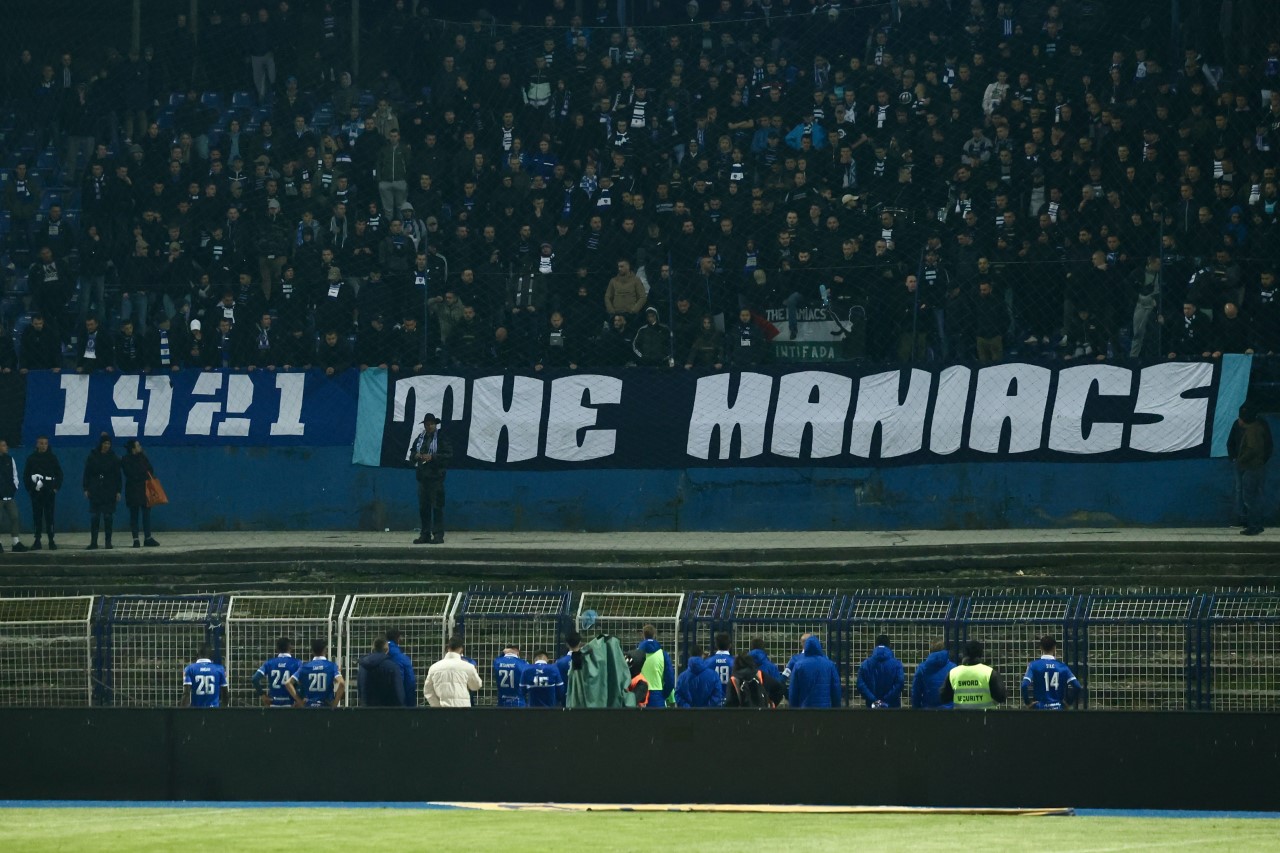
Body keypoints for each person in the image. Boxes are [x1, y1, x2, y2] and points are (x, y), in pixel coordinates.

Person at [1228, 403, 1273, 536]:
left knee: (1249, 497)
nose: (1238, 420)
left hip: (1251, 467)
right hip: (1255, 466)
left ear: (1244, 419)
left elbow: (1252, 449)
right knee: (1253, 496)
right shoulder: (1258, 427)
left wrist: (1239, 461)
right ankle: (1256, 524)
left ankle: (1253, 525)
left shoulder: (1252, 431)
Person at [407, 412, 452, 544]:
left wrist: (432, 457)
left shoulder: (442, 438)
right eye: (427, 424)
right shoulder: (420, 438)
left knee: (437, 507)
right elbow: (412, 453)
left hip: (436, 477)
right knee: (424, 508)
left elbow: (448, 455)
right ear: (424, 426)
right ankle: (425, 534)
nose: (429, 426)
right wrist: (415, 456)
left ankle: (438, 535)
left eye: (432, 424)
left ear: (435, 425)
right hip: (422, 478)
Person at [939, 640, 1008, 709]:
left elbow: (944, 697)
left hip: (961, 715)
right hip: (986, 715)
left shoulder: (953, 673)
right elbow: (1001, 697)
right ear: (981, 654)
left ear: (964, 654)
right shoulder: (989, 673)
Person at [82, 433, 121, 549]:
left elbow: (118, 476)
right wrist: (86, 488)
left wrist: (118, 491)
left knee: (108, 517)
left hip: (109, 491)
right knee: (95, 517)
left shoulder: (113, 458)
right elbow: (87, 473)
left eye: (108, 443)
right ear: (101, 444)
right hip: (95, 491)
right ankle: (94, 542)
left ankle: (108, 542)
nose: (106, 445)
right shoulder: (92, 456)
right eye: (105, 443)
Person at [1021, 636, 1083, 710]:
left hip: (1040, 707)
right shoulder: (1062, 666)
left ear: (1041, 648)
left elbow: (1024, 685)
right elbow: (1077, 686)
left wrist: (1028, 703)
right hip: (1058, 707)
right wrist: (1068, 703)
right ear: (1054, 648)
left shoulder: (1033, 665)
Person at [22, 435, 62, 550]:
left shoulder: (52, 458)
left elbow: (59, 474)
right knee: (37, 516)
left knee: (50, 516)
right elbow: (26, 475)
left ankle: (51, 540)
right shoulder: (32, 459)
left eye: (45, 443)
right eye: (41, 443)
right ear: (37, 444)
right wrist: (30, 489)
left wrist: (55, 488)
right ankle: (37, 540)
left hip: (49, 492)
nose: (43, 446)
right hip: (36, 493)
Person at [120, 439, 160, 548]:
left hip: (143, 490)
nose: (140, 447)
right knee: (134, 514)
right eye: (138, 446)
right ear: (133, 448)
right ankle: (136, 539)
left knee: (146, 514)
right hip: (134, 490)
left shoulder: (142, 457)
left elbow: (150, 470)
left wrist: (141, 474)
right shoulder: (126, 459)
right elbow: (132, 473)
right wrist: (143, 474)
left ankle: (147, 538)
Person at [286, 638, 345, 708]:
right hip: (326, 706)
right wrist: (335, 704)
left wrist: (299, 701)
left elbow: (288, 683)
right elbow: (341, 683)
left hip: (309, 706)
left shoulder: (304, 667)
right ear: (325, 650)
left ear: (312, 651)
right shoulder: (332, 666)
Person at [423, 637, 482, 708]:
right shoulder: (468, 666)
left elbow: (428, 691)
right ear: (461, 649)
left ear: (447, 648)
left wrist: (437, 706)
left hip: (442, 709)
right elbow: (476, 686)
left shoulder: (434, 667)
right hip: (463, 709)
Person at [787, 635, 842, 709]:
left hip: (805, 709)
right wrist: (836, 707)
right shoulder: (829, 664)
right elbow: (836, 688)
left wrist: (793, 708)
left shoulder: (798, 665)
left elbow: (793, 690)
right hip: (825, 709)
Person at [856, 635, 905, 709]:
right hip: (892, 708)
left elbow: (860, 685)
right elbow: (900, 683)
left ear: (875, 645)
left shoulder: (865, 664)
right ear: (889, 645)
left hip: (871, 706)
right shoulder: (897, 664)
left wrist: (874, 701)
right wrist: (885, 701)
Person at [251, 637, 301, 708]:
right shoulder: (297, 663)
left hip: (273, 703)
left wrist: (263, 695)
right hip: (291, 703)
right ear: (290, 648)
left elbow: (255, 679)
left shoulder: (269, 663)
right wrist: (300, 699)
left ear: (277, 649)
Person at [358, 637, 407, 707]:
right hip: (387, 710)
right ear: (387, 649)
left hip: (366, 709)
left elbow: (360, 690)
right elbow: (398, 693)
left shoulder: (363, 666)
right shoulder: (392, 667)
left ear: (373, 648)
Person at [637, 624, 676, 708]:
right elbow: (670, 679)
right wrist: (664, 695)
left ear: (643, 635)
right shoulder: (662, 654)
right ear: (654, 635)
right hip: (657, 695)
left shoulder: (635, 654)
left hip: (640, 695)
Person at [911, 639, 956, 709]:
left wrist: (916, 708)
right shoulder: (953, 667)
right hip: (949, 710)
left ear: (930, 650)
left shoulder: (922, 668)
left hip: (928, 710)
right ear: (944, 649)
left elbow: (916, 692)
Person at [0, 440, 27, 553]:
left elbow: (15, 475)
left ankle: (16, 543)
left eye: (6, 445)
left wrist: (14, 488)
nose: (6, 447)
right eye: (3, 445)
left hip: (9, 496)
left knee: (15, 517)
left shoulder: (10, 459)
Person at [385, 628, 417, 708]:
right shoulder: (403, 659)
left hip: (377, 705)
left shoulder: (376, 658)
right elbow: (410, 682)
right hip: (399, 702)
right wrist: (411, 705)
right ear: (398, 639)